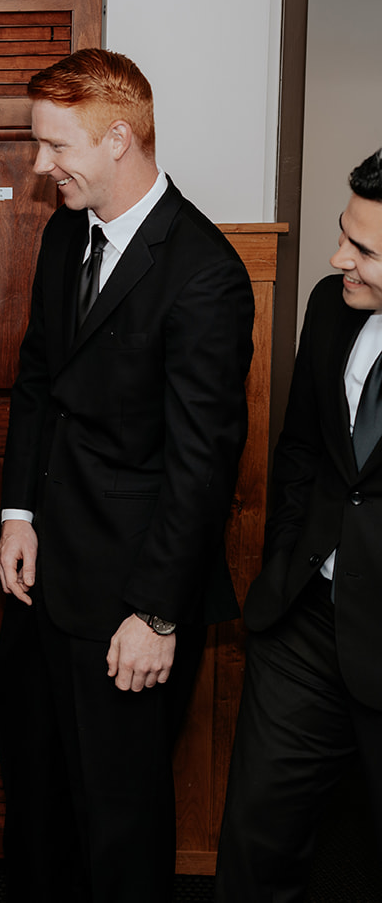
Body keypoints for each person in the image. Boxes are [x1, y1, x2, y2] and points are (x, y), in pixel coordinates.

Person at [0, 48, 254, 902]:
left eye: (54, 147)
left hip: (128, 599)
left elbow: (201, 465)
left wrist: (155, 611)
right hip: (40, 580)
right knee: (36, 805)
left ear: (117, 138)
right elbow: (39, 380)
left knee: (119, 822)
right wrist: (18, 511)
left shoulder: (205, 272)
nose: (41, 166)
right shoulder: (68, 229)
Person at [214, 146, 382, 901]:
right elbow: (305, 450)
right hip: (306, 620)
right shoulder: (328, 303)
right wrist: (286, 554)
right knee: (256, 841)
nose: (338, 255)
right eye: (346, 233)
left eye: (365, 248)